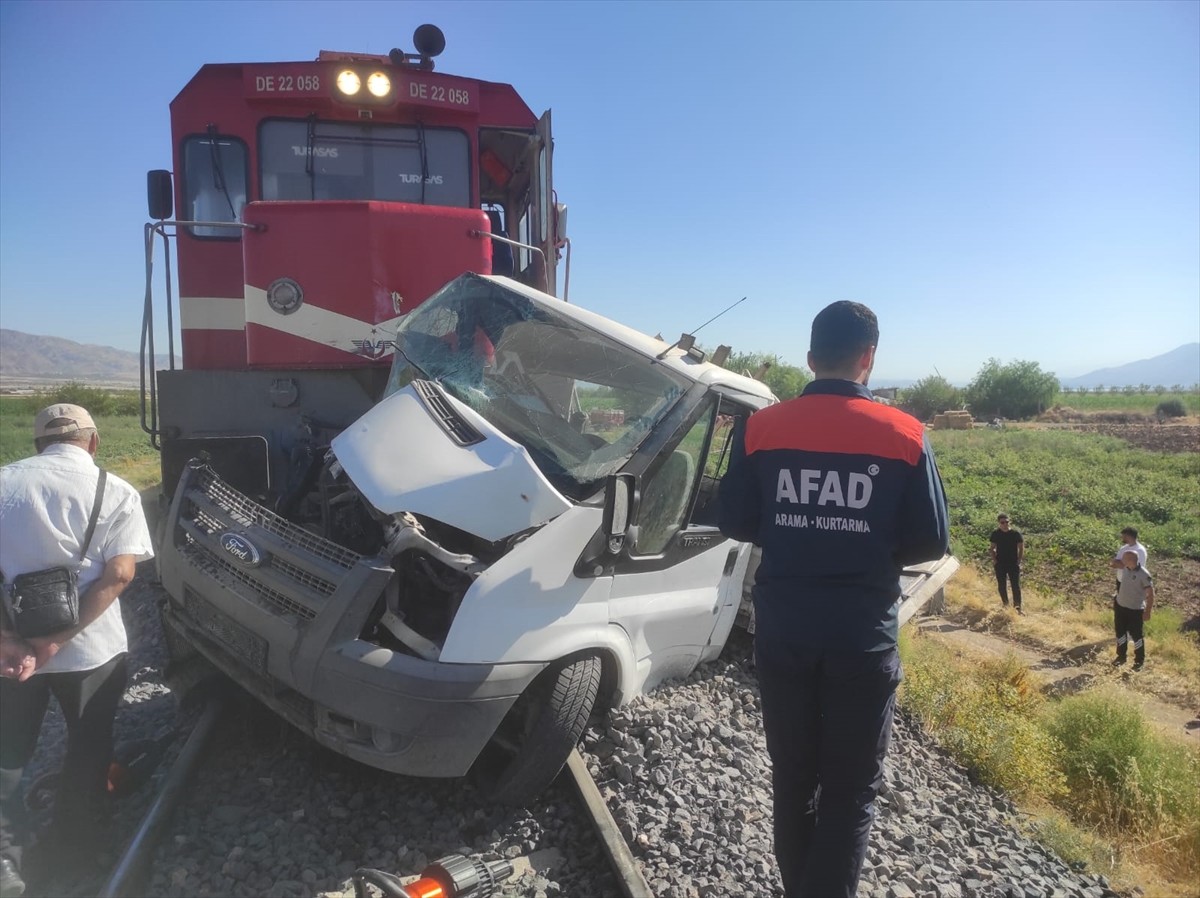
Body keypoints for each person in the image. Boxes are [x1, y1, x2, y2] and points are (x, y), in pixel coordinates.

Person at [717, 301, 950, 898]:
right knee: (849, 792)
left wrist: (795, 529)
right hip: (861, 638)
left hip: (785, 633)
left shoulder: (762, 428)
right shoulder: (905, 435)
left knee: (793, 780)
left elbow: (736, 520)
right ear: (868, 358)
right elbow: (931, 540)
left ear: (811, 357)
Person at [0, 404, 154, 898]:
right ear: (93, 442)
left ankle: (8, 862)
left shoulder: (4, 483)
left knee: (7, 756)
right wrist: (56, 641)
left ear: (38, 443)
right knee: (87, 749)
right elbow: (121, 574)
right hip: (92, 651)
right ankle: (75, 850)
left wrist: (9, 640)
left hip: (8, 655)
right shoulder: (117, 491)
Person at [1113, 549, 1154, 670]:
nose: (1122, 560)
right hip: (1121, 607)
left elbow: (1151, 594)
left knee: (1137, 636)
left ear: (1130, 560)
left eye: (1124, 558)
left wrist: (1148, 612)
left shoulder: (1144, 574)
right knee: (1120, 632)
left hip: (1135, 610)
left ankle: (1139, 661)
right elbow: (1114, 564)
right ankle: (1121, 656)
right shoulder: (1126, 568)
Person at [989, 513, 1024, 613]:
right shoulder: (996, 534)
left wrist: (1019, 560)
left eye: (1007, 522)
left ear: (1010, 522)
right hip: (1000, 563)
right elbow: (992, 548)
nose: (1005, 524)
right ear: (999, 523)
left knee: (1015, 586)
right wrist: (995, 561)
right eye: (1002, 522)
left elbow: (1021, 548)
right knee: (1002, 585)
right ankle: (1005, 605)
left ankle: (1018, 608)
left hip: (1013, 563)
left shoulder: (1015, 534)